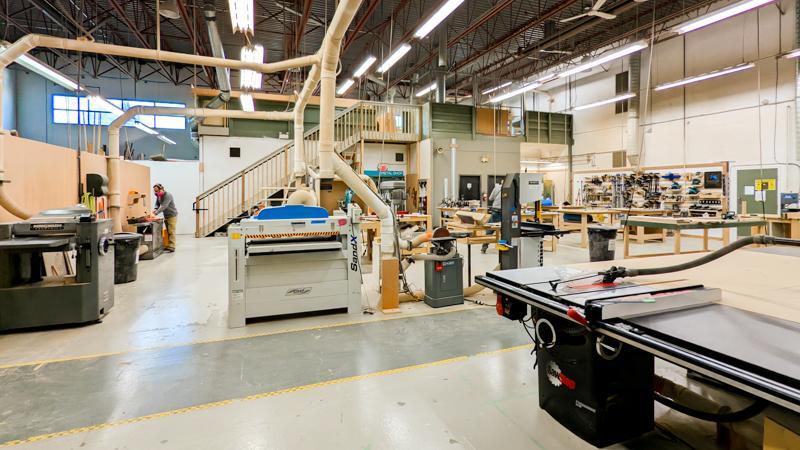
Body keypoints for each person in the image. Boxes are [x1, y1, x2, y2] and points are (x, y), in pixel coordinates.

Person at [151, 184, 177, 252]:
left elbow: (163, 206)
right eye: (155, 191)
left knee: (171, 231)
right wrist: (155, 208)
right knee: (168, 231)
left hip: (172, 215)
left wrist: (155, 213)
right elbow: (157, 203)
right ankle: (169, 245)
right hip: (166, 215)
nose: (156, 193)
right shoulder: (159, 195)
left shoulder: (168, 195)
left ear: (162, 189)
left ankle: (172, 246)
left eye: (157, 191)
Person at [481, 182, 503, 253]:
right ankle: (504, 247)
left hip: (495, 211)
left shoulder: (497, 188)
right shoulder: (511, 189)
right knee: (504, 231)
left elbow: (490, 198)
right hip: (505, 211)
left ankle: (484, 248)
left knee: (489, 230)